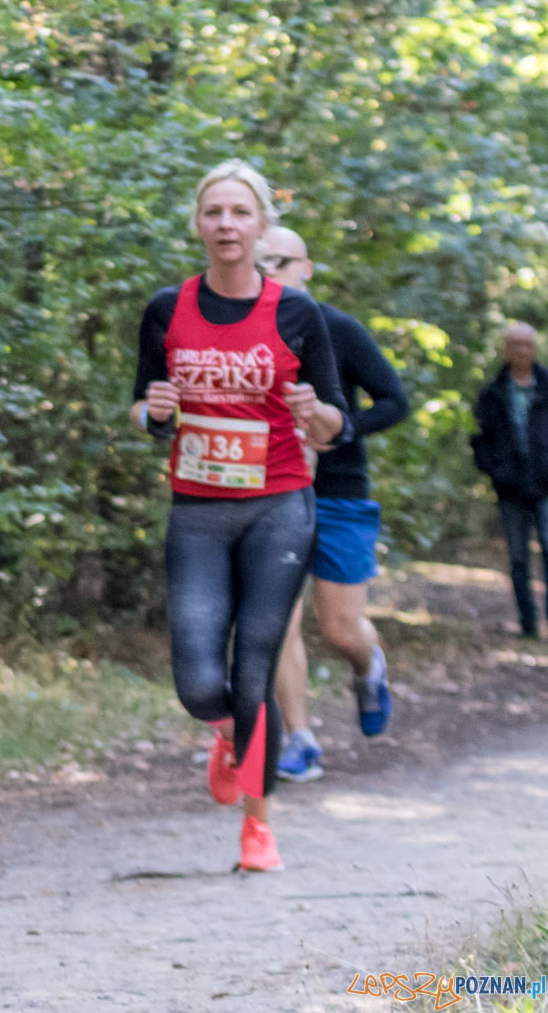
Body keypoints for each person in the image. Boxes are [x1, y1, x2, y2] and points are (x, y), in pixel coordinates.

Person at [131, 160, 349, 872]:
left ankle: (259, 824)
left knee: (253, 670)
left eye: (240, 213)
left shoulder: (296, 312)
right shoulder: (168, 308)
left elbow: (333, 423)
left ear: (260, 226)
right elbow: (144, 407)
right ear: (199, 224)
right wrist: (152, 413)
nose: (227, 225)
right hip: (197, 509)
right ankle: (227, 732)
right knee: (199, 680)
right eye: (214, 212)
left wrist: (315, 413)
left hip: (278, 506)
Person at [256, 226, 407, 782]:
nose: (270, 270)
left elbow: (396, 401)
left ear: (307, 268)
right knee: (275, 623)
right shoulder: (244, 331)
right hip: (270, 490)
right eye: (260, 260)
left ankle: (369, 668)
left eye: (281, 260)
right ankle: (300, 739)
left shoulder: (338, 328)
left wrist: (342, 431)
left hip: (339, 491)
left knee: (340, 628)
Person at [471, 322, 548, 638]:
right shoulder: (492, 393)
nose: (521, 351)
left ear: (535, 348)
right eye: (514, 344)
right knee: (518, 556)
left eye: (526, 344)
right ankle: (528, 623)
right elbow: (479, 439)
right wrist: (495, 470)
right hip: (510, 487)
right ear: (505, 349)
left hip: (546, 485)